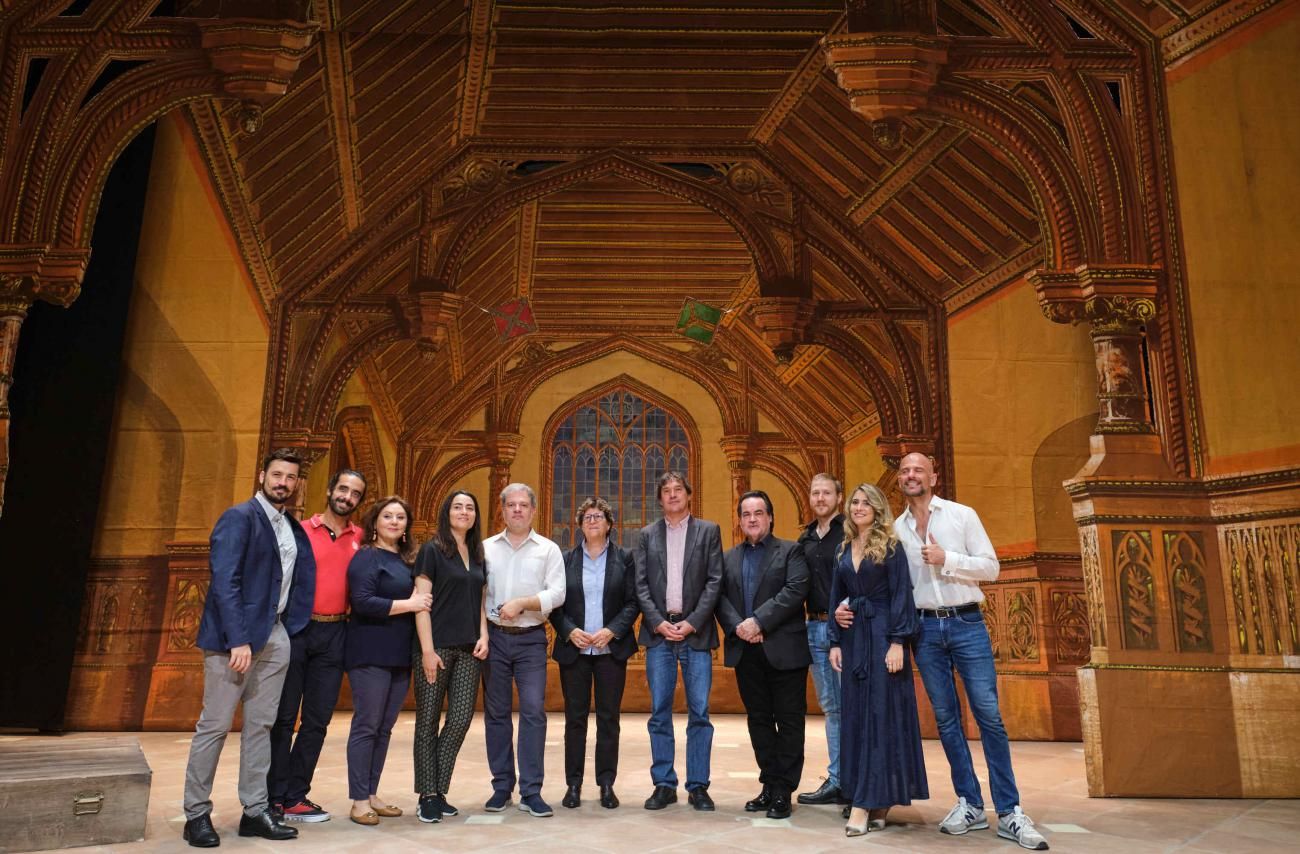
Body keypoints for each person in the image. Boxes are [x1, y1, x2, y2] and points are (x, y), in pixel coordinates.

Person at [839, 453, 1048, 850]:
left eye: (918, 469)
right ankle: (969, 802)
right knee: (947, 720)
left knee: (988, 715)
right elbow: (886, 588)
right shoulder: (895, 530)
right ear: (898, 481)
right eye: (904, 471)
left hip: (967, 622)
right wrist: (846, 605)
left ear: (933, 475)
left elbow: (991, 568)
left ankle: (1009, 811)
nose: (911, 475)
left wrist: (946, 559)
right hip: (925, 630)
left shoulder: (961, 515)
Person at [181, 449, 316, 848]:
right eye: (277, 475)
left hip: (275, 637)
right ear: (262, 476)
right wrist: (238, 638)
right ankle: (196, 814)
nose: (283, 483)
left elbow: (293, 583)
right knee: (215, 726)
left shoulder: (290, 526)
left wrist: (286, 631)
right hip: (233, 641)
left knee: (261, 728)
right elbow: (225, 581)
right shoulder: (239, 517)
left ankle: (255, 811)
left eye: (291, 478)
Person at [268, 468, 367, 822]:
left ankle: (295, 795)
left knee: (317, 721)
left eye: (355, 493)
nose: (347, 497)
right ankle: (272, 796)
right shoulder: (301, 532)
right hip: (297, 631)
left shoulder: (360, 537)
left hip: (336, 633)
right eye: (343, 489)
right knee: (282, 719)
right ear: (330, 490)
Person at [829, 483, 927, 836]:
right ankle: (876, 800)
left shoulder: (891, 546)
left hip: (884, 636)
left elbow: (902, 593)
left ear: (878, 508)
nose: (858, 507)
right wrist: (834, 638)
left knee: (880, 718)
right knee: (857, 717)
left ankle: (862, 805)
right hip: (854, 640)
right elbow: (835, 598)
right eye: (854, 502)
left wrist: (899, 641)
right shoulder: (843, 548)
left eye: (866, 502)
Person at [716, 490, 810, 820]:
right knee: (758, 720)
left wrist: (758, 621)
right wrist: (739, 626)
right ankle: (769, 783)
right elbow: (719, 598)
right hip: (745, 651)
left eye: (758, 512)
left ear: (770, 517)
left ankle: (784, 789)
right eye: (746, 514)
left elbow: (795, 591)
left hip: (784, 649)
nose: (752, 518)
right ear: (740, 520)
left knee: (789, 721)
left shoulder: (791, 551)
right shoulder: (728, 558)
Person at [634, 471, 723, 812]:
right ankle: (663, 784)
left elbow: (714, 581)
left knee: (700, 712)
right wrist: (657, 623)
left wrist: (692, 622)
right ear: (660, 499)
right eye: (666, 491)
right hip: (659, 636)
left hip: (695, 634)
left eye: (678, 490)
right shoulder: (646, 535)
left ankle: (698, 786)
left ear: (689, 495)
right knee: (659, 712)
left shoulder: (708, 531)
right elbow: (639, 584)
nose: (672, 495)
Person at [343, 496, 431, 826]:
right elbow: (363, 602)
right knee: (366, 725)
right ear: (375, 522)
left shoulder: (408, 560)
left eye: (400, 517)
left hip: (398, 653)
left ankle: (372, 793)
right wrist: (410, 604)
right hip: (369, 651)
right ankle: (358, 800)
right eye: (387, 516)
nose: (394, 522)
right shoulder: (366, 557)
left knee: (384, 727)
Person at [481, 483, 566, 817]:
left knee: (533, 712)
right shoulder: (485, 548)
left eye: (523, 505)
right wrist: (483, 635)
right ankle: (502, 787)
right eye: (511, 505)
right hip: (495, 639)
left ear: (533, 510)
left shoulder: (548, 550)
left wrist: (523, 604)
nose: (517, 510)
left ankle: (531, 791)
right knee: (497, 714)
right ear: (502, 510)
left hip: (531, 638)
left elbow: (557, 593)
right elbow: (479, 595)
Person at [550, 497, 639, 810]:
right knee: (575, 720)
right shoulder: (564, 560)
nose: (592, 521)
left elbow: (633, 602)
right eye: (587, 516)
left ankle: (606, 783)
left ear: (609, 523)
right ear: (579, 524)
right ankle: (573, 785)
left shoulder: (625, 559)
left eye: (598, 516)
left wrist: (611, 630)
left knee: (608, 719)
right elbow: (553, 603)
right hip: (574, 651)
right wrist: (569, 631)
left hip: (610, 651)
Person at [411, 490, 490, 823]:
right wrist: (427, 651)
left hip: (470, 648)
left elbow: (481, 601)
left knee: (459, 721)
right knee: (427, 721)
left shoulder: (477, 553)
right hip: (437, 647)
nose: (464, 512)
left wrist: (484, 634)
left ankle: (439, 789)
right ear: (447, 512)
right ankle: (428, 795)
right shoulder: (432, 550)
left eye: (470, 507)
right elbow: (421, 603)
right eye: (457, 507)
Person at [796, 473, 846, 808]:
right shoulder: (805, 539)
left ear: (838, 497)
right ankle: (837, 778)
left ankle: (855, 780)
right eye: (815, 493)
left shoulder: (850, 534)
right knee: (830, 707)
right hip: (813, 628)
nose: (820, 498)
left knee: (849, 705)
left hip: (844, 630)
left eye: (827, 492)